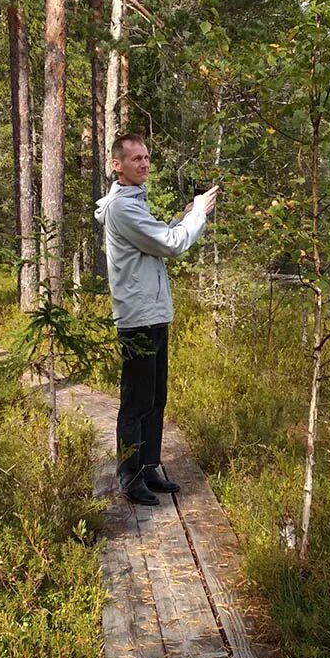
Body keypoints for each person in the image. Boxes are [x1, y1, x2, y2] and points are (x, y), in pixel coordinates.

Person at [95, 133, 218, 505]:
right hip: (138, 319)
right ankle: (130, 478)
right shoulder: (123, 208)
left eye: (147, 157)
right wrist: (197, 213)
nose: (144, 163)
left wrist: (183, 218)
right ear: (117, 165)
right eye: (136, 159)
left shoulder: (135, 201)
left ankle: (149, 468)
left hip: (154, 314)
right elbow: (171, 244)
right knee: (136, 401)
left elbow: (159, 239)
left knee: (155, 397)